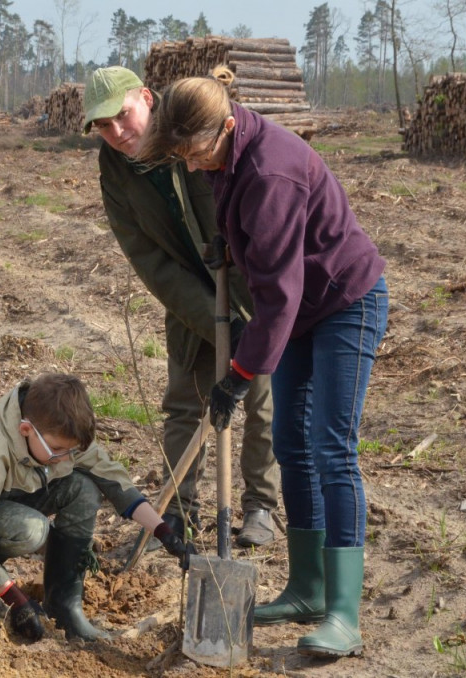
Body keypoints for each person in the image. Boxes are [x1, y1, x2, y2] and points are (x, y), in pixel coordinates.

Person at [136, 66, 389, 659]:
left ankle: (344, 615)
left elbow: (278, 294)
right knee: (290, 441)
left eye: (196, 154)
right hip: (302, 309)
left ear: (226, 127)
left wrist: (241, 375)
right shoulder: (228, 151)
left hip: (344, 302)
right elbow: (253, 244)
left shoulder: (271, 169)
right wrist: (226, 242)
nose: (193, 167)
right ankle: (305, 588)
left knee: (331, 447)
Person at [82, 66, 280, 548]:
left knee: (259, 402)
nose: (117, 133)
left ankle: (260, 507)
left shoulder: (193, 123)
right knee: (183, 406)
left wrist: (243, 315)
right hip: (189, 298)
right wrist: (212, 322)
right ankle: (179, 514)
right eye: (104, 126)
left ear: (146, 99)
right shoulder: (114, 170)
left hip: (246, 284)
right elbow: (147, 258)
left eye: (122, 116)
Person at [0, 372, 192, 642]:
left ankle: (63, 607)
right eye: (60, 450)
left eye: (72, 451)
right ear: (25, 429)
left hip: (4, 494)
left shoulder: (58, 430)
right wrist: (16, 601)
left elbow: (110, 476)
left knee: (82, 488)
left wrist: (163, 531)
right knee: (31, 530)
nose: (66, 458)